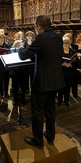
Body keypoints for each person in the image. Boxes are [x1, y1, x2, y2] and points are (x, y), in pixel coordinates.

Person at [18, 15, 65, 148]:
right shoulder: (58, 37)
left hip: (42, 82)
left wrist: (21, 48)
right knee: (50, 109)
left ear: (39, 26)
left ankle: (38, 140)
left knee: (37, 111)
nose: (35, 29)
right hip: (55, 80)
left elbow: (23, 56)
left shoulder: (41, 37)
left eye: (35, 27)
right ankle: (50, 136)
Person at [57, 37, 77, 107]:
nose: (65, 44)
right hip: (61, 72)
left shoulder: (73, 51)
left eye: (66, 43)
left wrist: (71, 64)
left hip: (70, 72)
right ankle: (59, 100)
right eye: (63, 43)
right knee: (60, 87)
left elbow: (76, 63)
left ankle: (66, 101)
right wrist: (63, 64)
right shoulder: (58, 51)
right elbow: (55, 62)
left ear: (69, 43)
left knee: (67, 88)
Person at [10, 40, 28, 106]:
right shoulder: (12, 52)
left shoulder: (23, 52)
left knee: (23, 86)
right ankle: (15, 99)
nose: (18, 46)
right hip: (15, 72)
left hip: (23, 71)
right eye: (17, 45)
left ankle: (23, 99)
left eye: (19, 45)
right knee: (15, 87)